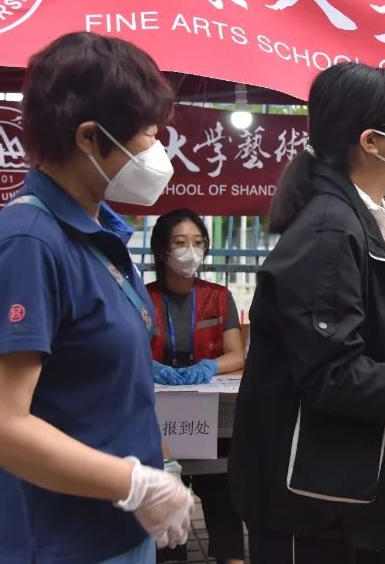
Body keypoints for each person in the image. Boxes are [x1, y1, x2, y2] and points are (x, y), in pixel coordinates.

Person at [229, 62, 385, 564]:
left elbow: (335, 337)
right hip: (311, 503)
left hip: (345, 487)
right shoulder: (330, 232)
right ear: (371, 141)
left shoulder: (360, 217)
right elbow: (330, 375)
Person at [0, 32, 194, 564]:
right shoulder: (28, 243)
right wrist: (134, 482)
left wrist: (150, 467)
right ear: (90, 138)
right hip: (58, 542)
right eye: (147, 135)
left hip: (117, 529)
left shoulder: (99, 234)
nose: (158, 153)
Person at [147, 209, 245, 564]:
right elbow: (128, 354)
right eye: (180, 242)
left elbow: (236, 355)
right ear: (162, 250)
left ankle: (231, 556)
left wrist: (209, 366)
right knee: (165, 497)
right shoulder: (143, 299)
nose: (191, 251)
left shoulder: (218, 296)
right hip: (158, 421)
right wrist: (152, 367)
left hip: (211, 415)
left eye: (198, 242)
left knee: (223, 492)